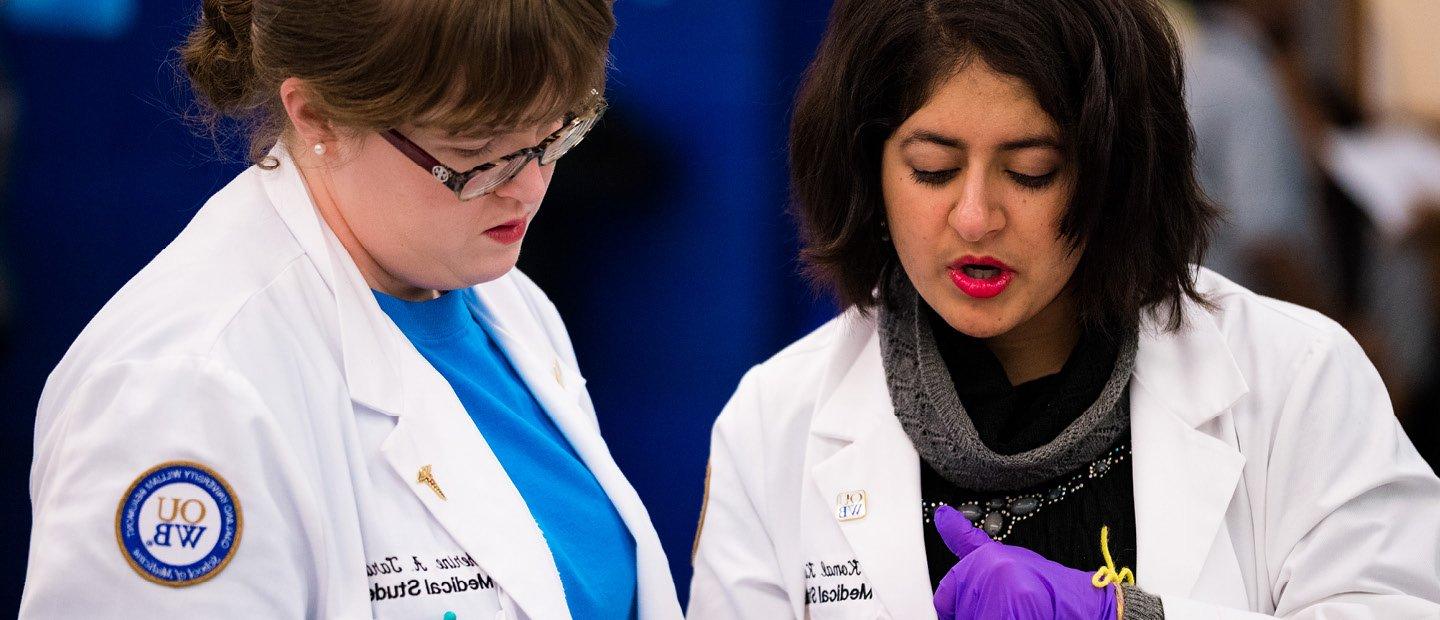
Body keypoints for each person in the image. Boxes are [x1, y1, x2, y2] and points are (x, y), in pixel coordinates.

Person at [687, 0, 1440, 618]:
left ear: (1115, 171)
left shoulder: (1299, 381)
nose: (976, 216)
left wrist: (1126, 615)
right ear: (866, 169)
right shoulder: (775, 426)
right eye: (933, 169)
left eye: (1032, 171)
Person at [20, 1, 682, 618]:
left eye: (555, 134)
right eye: (475, 151)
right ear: (318, 117)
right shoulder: (185, 388)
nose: (529, 187)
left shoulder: (505, 302)